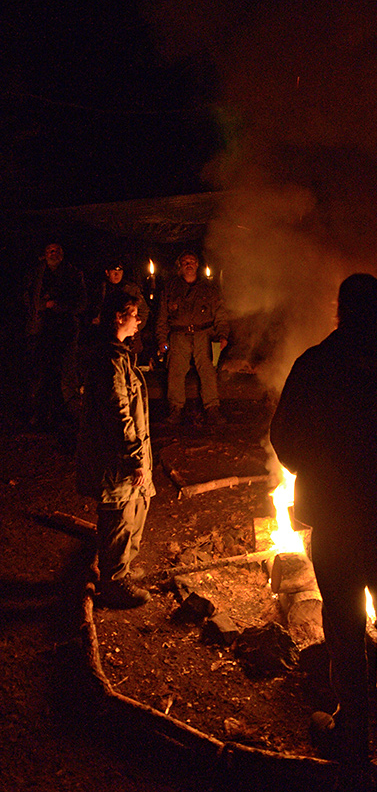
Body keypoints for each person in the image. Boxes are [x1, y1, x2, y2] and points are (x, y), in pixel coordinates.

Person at [270, 274, 377, 780]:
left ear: (340, 310)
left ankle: (352, 728)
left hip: (337, 515)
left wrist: (319, 469)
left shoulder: (316, 364)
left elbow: (285, 439)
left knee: (343, 620)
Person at [77, 290, 155, 608]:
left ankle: (121, 571)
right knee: (119, 516)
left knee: (136, 508)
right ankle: (113, 583)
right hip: (116, 457)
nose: (138, 320)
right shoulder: (109, 359)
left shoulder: (120, 354)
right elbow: (117, 410)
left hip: (128, 453)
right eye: (134, 314)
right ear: (120, 316)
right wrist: (132, 454)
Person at [156, 250, 229, 426]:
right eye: (185, 261)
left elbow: (220, 314)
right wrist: (162, 340)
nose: (189, 264)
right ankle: (175, 408)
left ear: (197, 265)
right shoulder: (171, 288)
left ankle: (212, 408)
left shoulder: (209, 289)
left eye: (192, 261)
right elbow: (162, 317)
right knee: (175, 372)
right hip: (179, 335)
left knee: (208, 371)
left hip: (204, 335)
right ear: (180, 266)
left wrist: (223, 335)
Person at [24, 241, 87, 428]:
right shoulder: (37, 275)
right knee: (42, 373)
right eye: (50, 250)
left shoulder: (73, 274)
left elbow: (81, 303)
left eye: (57, 250)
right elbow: (28, 300)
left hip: (65, 330)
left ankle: (67, 415)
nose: (53, 253)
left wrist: (60, 306)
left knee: (66, 373)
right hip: (41, 330)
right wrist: (42, 307)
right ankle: (40, 414)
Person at [88, 257, 149, 354]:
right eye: (114, 271)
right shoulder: (99, 290)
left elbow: (144, 311)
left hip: (129, 339)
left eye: (120, 271)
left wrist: (131, 327)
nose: (117, 274)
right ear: (107, 272)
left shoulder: (131, 290)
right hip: (105, 335)